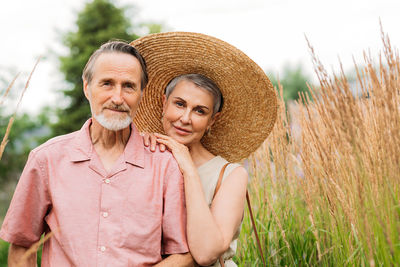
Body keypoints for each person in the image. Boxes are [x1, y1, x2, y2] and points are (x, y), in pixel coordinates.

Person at [0, 41, 191, 267]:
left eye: (128, 86)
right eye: (107, 84)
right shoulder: (46, 159)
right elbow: (22, 245)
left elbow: (182, 253)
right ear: (87, 87)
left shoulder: (165, 165)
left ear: (141, 93)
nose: (118, 98)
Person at [130, 32, 277, 266]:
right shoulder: (139, 158)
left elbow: (206, 253)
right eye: (179, 104)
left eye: (200, 111)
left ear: (212, 120)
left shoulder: (229, 175)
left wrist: (188, 167)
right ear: (163, 103)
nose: (185, 118)